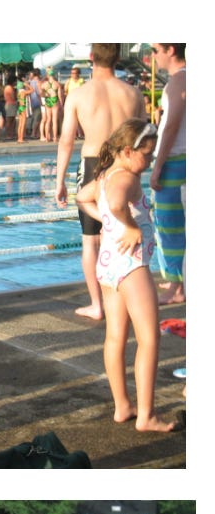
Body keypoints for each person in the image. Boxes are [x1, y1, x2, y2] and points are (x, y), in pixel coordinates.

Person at [75, 119, 181, 433]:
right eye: (146, 155)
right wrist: (130, 226)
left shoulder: (106, 174)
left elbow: (83, 197)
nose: (148, 162)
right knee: (149, 340)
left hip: (108, 265)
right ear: (127, 151)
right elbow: (120, 203)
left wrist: (107, 220)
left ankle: (123, 406)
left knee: (115, 337)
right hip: (132, 266)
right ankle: (146, 416)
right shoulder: (128, 178)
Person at [55, 44, 145, 321]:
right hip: (124, 166)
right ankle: (124, 299)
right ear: (118, 57)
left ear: (91, 57)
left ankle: (98, 305)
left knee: (90, 241)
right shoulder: (133, 93)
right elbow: (143, 139)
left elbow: (67, 140)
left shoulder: (79, 94)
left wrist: (60, 181)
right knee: (122, 234)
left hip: (93, 164)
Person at [149, 43, 185, 306]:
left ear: (170, 50)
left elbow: (170, 126)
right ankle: (178, 278)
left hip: (174, 162)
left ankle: (176, 287)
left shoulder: (177, 82)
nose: (152, 56)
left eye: (155, 49)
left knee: (169, 225)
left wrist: (158, 165)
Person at [40, 67, 61, 142]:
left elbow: (41, 94)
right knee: (54, 120)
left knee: (48, 119)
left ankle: (47, 138)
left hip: (48, 100)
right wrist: (61, 104)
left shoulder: (44, 84)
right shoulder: (57, 84)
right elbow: (59, 96)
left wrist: (46, 94)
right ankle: (55, 137)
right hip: (54, 100)